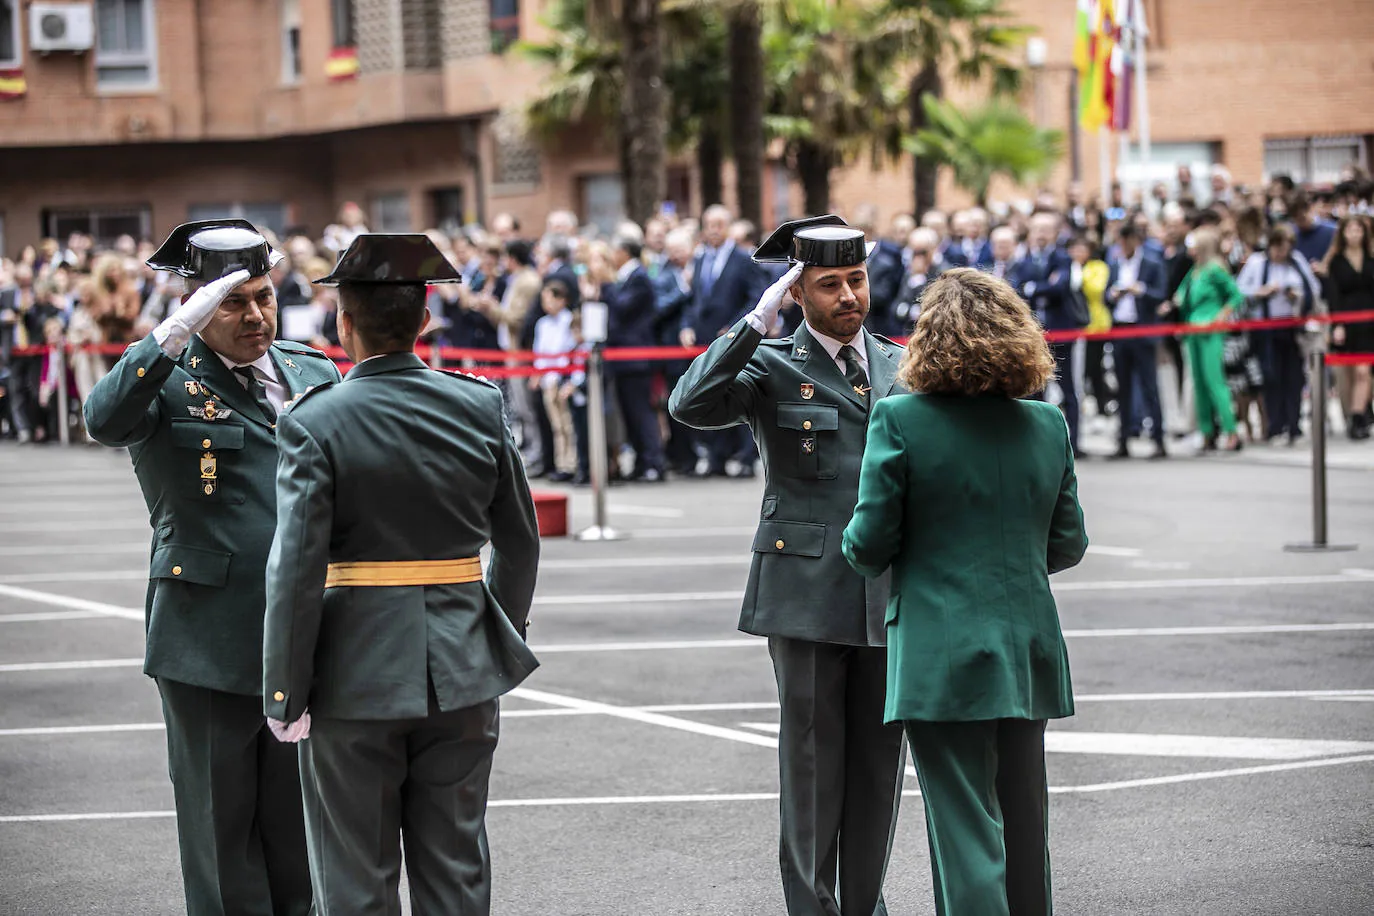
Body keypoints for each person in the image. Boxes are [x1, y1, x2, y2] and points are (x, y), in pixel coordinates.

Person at [262, 233, 540, 916]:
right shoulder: (478, 404)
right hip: (462, 666)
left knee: (356, 880)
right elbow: (520, 543)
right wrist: (487, 632)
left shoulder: (313, 420)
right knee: (457, 874)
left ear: (342, 321)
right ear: (425, 320)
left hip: (355, 672)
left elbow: (295, 568)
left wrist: (284, 689)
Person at [83, 219, 340, 916]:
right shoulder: (165, 378)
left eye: (263, 296)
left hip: (304, 632)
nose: (256, 315)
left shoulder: (311, 369)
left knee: (299, 832)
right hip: (207, 635)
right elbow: (103, 421)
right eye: (233, 302)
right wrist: (170, 335)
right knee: (223, 834)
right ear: (198, 307)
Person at [670, 215, 907, 916]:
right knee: (808, 762)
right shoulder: (771, 365)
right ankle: (813, 906)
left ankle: (865, 904)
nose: (848, 297)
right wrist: (753, 321)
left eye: (856, 280)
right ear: (797, 293)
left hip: (890, 588)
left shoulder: (900, 362)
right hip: (804, 589)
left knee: (878, 765)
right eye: (829, 284)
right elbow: (690, 404)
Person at [841, 267, 1087, 916]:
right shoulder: (1046, 425)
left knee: (965, 832)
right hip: (1027, 642)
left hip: (939, 649)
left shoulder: (900, 420)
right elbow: (1068, 545)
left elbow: (866, 546)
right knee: (1025, 828)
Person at [680, 204, 768, 477]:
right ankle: (716, 457)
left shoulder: (743, 259)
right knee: (711, 395)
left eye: (719, 224)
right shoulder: (700, 258)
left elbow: (755, 297)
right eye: (709, 224)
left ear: (728, 227)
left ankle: (744, 458)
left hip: (734, 338)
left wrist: (735, 326)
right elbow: (694, 299)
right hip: (705, 340)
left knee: (739, 392)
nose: (714, 230)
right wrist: (687, 326)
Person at [1236, 223, 1320, 444]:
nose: (1283, 254)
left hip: (1292, 326)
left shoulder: (1297, 261)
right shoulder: (1257, 263)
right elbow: (1238, 290)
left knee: (1294, 377)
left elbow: (1314, 288)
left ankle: (1294, 425)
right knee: (1271, 376)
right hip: (1265, 328)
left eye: (1286, 249)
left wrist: (1296, 295)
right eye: (1279, 248)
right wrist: (1261, 292)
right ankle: (1275, 425)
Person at [1012, 212, 1084, 456]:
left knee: (1068, 388)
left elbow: (1060, 287)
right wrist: (1042, 287)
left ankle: (1075, 442)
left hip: (1061, 333)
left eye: (1046, 229)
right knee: (1035, 389)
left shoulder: (1063, 258)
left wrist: (1036, 288)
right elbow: (1019, 290)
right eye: (1037, 229)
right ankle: (1038, 440)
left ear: (1055, 232)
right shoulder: (1023, 261)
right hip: (1033, 335)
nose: (1041, 234)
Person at [1175, 228, 1246, 452]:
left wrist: (1220, 316)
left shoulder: (1215, 269)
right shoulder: (1195, 270)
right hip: (1192, 330)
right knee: (1199, 384)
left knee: (1215, 382)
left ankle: (1231, 431)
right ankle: (1207, 432)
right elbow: (1181, 295)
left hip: (1211, 330)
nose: (1190, 248)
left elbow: (1236, 295)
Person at [1105, 224, 1169, 458]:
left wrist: (1139, 290)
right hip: (1120, 330)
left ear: (1135, 240)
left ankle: (1159, 439)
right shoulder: (1114, 264)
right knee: (1122, 388)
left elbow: (1160, 293)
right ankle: (1123, 439)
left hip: (1142, 331)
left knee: (1149, 386)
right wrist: (1113, 294)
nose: (1123, 247)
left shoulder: (1151, 263)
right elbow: (1106, 295)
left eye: (1127, 242)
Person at [1324, 214, 1374, 439]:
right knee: (1350, 373)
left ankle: (1357, 417)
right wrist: (1337, 324)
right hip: (1347, 321)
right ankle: (1359, 412)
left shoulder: (1371, 257)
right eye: (1350, 230)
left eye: (1358, 230)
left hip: (1369, 322)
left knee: (1364, 371)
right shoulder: (1335, 261)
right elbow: (1334, 296)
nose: (1355, 234)